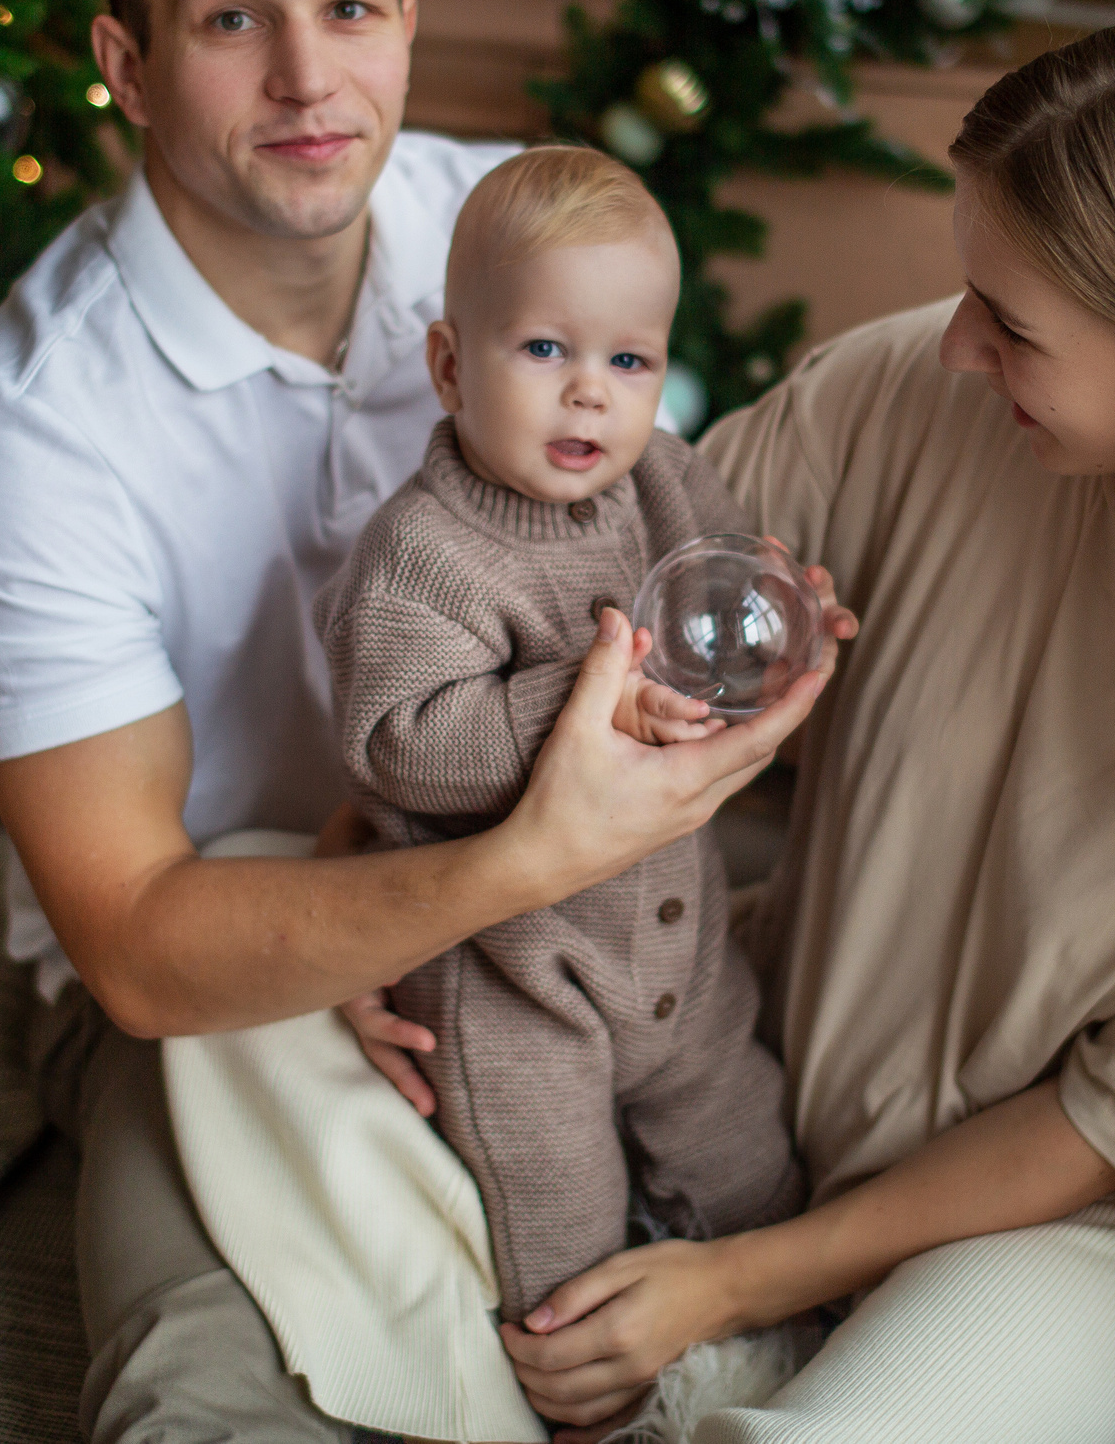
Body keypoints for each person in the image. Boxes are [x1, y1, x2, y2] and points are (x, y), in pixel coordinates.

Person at [348, 7, 1115, 1443]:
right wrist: (387, 892)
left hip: (1065, 1217)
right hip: (762, 1055)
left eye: (1016, 324)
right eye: (972, 290)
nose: (963, 344)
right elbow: (614, 615)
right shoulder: (914, 389)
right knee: (244, 999)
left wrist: (729, 1284)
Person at [0, 0, 828, 1444]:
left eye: (347, 8)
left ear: (406, 23)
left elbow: (665, 507)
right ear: (125, 60)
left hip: (566, 889)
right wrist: (492, 869)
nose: (306, 80)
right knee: (231, 1377)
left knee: (788, 1133)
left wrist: (744, 639)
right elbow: (132, 944)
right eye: (230, 18)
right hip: (219, 966)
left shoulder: (513, 232)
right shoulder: (28, 437)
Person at [315, 146, 823, 1326]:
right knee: (560, 1231)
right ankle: (585, 1389)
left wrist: (777, 620)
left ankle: (772, 1339)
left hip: (683, 957)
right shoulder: (418, 558)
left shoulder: (665, 486)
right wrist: (582, 701)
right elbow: (399, 740)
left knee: (750, 1158)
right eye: (544, 349)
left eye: (627, 359)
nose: (589, 390)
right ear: (450, 365)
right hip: (514, 986)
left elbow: (722, 587)